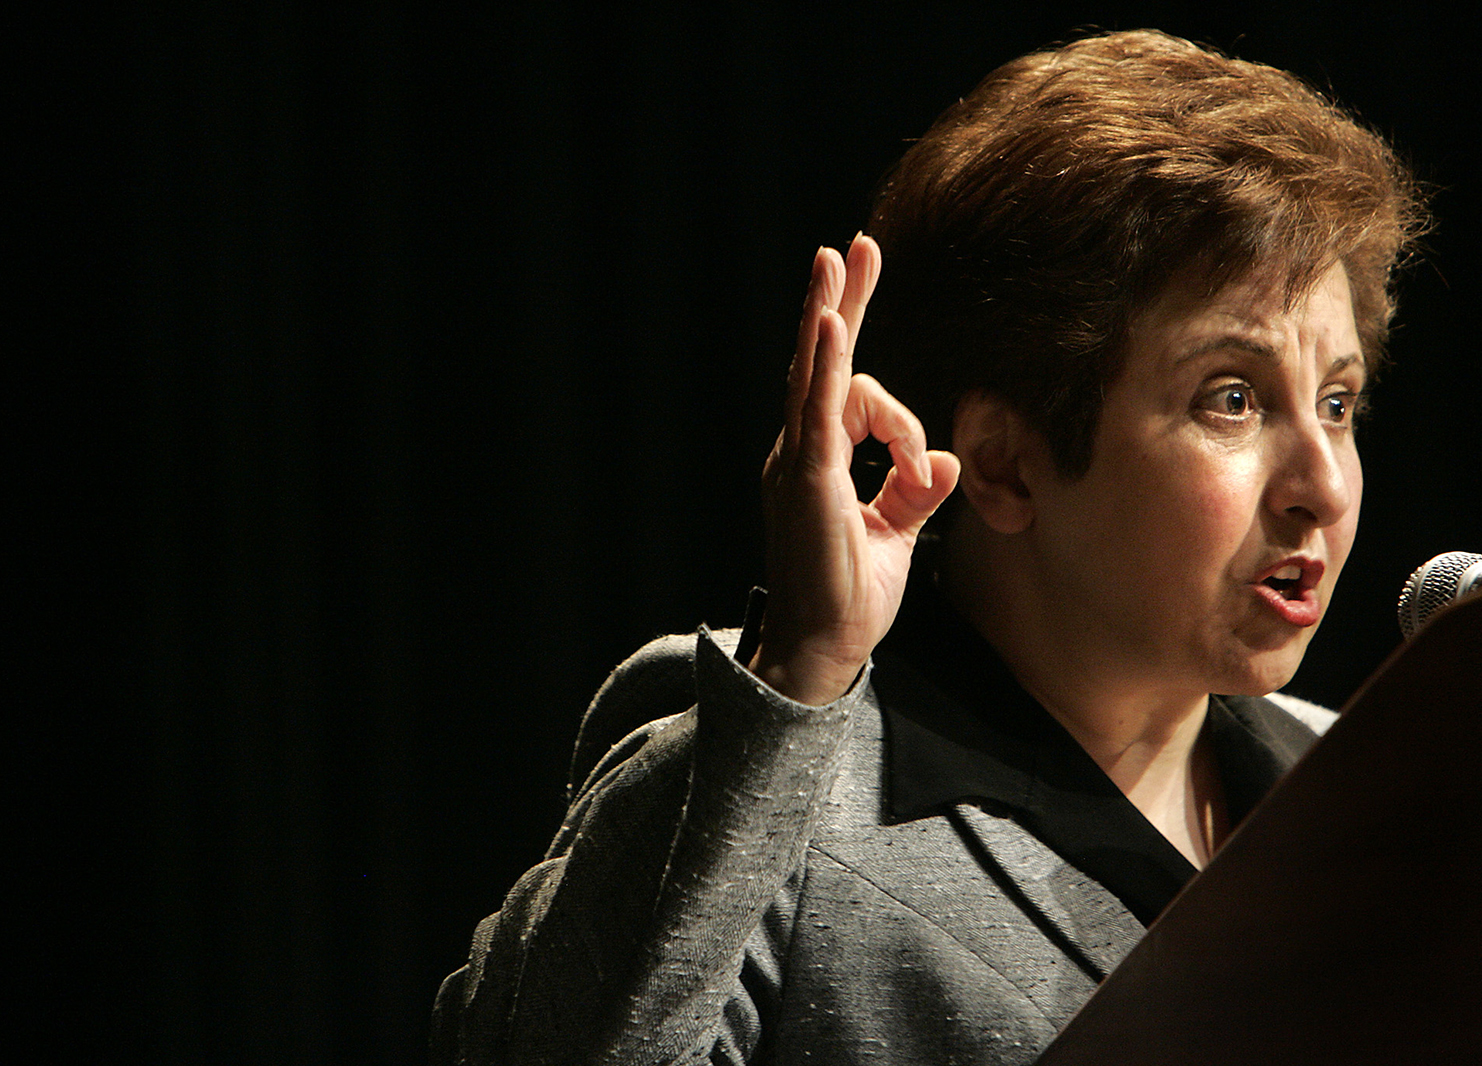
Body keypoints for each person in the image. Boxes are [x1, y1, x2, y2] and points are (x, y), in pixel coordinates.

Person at [431, 29, 1428, 1065]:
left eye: (1339, 402)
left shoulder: (1362, 785)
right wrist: (801, 671)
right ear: (1002, 465)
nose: (1324, 486)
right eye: (1233, 398)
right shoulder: (778, 772)